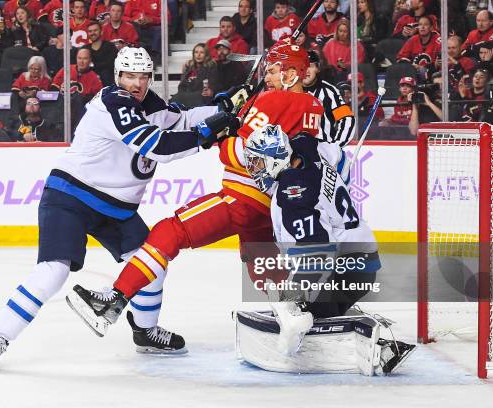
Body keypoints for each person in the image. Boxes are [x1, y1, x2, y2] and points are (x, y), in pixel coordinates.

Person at [0, 47, 237, 369]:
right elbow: (160, 147)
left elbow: (180, 119)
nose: (137, 83)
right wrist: (208, 131)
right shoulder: (114, 102)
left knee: (151, 264)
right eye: (130, 76)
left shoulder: (149, 103)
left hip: (116, 208)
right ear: (117, 77)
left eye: (143, 77)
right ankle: (0, 336)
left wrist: (220, 107)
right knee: (53, 270)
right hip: (71, 196)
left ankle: (145, 331)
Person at [64, 41, 334, 351]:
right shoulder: (314, 107)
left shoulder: (272, 100)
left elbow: (241, 153)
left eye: (273, 70)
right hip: (270, 203)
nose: (268, 76)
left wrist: (222, 135)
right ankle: (292, 315)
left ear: (290, 75)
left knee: (169, 231)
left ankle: (113, 300)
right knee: (263, 263)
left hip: (241, 197)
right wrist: (236, 112)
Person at [237, 124, 413, 374]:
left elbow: (317, 254)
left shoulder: (292, 196)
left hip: (345, 266)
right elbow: (341, 156)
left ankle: (377, 348)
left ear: (276, 158)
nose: (253, 169)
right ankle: (341, 321)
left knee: (301, 312)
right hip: (363, 260)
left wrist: (295, 304)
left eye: (258, 162)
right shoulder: (306, 147)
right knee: (306, 303)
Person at [302, 50, 356, 150]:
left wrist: (335, 147)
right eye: (303, 66)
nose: (306, 70)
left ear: (317, 68)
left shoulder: (329, 92)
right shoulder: (288, 91)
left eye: (310, 66)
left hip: (323, 153)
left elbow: (347, 118)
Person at [171, 43, 217, 107]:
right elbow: (181, 86)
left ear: (206, 55)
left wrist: (212, 91)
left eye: (202, 52)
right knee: (173, 101)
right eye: (196, 52)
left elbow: (212, 85)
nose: (198, 55)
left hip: (199, 96)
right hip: (185, 95)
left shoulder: (210, 67)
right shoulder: (188, 67)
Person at [86, 20, 118, 86]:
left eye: (95, 30)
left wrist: (92, 65)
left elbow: (111, 65)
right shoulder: (85, 49)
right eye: (90, 31)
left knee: (105, 73)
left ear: (101, 32)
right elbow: (84, 66)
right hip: (90, 80)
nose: (93, 33)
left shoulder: (110, 46)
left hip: (108, 81)